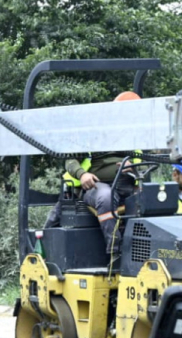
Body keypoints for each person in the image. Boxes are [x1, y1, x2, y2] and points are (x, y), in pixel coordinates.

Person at [60, 91, 143, 267]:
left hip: (126, 184)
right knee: (105, 196)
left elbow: (143, 165)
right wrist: (83, 174)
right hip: (96, 186)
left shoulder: (135, 136)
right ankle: (115, 251)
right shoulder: (92, 133)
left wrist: (133, 169)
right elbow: (70, 160)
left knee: (150, 198)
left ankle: (143, 252)